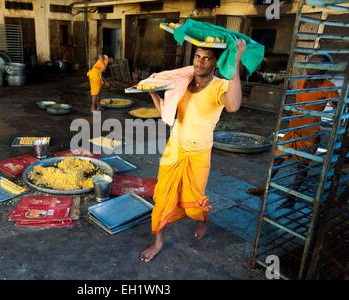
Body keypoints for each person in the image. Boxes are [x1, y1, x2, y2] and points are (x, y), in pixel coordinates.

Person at [139, 40, 247, 263]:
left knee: (194, 200)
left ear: (215, 63)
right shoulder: (183, 82)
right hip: (174, 151)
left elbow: (233, 106)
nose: (200, 62)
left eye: (207, 58)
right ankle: (158, 242)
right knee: (162, 197)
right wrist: (153, 94)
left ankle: (202, 220)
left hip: (199, 153)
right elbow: (168, 115)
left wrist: (236, 63)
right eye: (198, 56)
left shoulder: (220, 86)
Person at [246, 53, 339, 207]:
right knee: (277, 158)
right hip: (293, 129)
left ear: (323, 70)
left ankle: (292, 196)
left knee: (302, 166)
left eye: (314, 67)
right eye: (309, 65)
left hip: (310, 133)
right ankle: (264, 187)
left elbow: (337, 107)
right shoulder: (301, 81)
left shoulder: (328, 86)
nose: (309, 69)